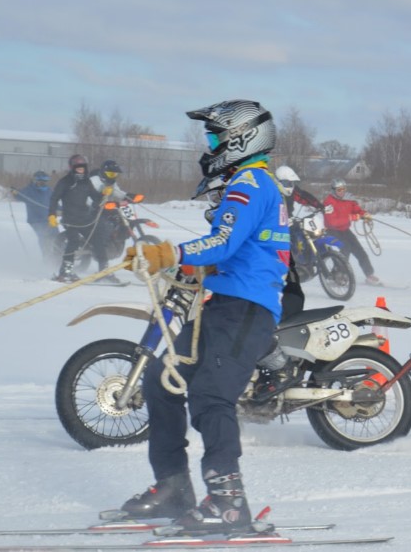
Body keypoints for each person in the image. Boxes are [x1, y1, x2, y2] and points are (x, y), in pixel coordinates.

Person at [117, 100, 289, 535]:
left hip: (247, 309)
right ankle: (173, 487)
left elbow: (224, 241)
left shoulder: (250, 182)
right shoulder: (247, 181)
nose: (210, 144)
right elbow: (236, 249)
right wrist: (183, 266)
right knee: (161, 380)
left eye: (216, 136)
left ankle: (228, 502)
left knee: (211, 396)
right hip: (223, 303)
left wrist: (169, 252)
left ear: (242, 137)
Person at [48, 154, 104, 283]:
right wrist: (52, 214)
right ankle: (65, 272)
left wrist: (103, 195)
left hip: (84, 219)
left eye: (82, 168)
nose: (80, 170)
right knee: (74, 242)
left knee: (98, 240)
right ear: (72, 167)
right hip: (70, 219)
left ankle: (104, 271)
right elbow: (54, 198)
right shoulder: (65, 181)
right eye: (78, 168)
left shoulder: (86, 182)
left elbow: (95, 196)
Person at [86, 159, 137, 284]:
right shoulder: (94, 181)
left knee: (119, 220)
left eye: (115, 174)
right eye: (110, 174)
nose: (113, 176)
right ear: (103, 172)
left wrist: (129, 196)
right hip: (90, 210)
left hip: (105, 209)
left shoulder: (111, 183)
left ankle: (116, 238)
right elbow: (87, 198)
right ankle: (103, 267)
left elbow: (118, 193)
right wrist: (98, 202)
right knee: (104, 229)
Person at [323, 178, 380, 286]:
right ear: (333, 190)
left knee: (359, 251)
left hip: (345, 230)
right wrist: (351, 217)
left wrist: (364, 214)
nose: (342, 192)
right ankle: (338, 275)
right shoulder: (328, 203)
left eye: (343, 189)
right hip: (332, 230)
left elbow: (357, 210)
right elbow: (332, 222)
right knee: (345, 249)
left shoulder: (348, 199)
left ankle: (369, 275)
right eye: (339, 190)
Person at [12, 170, 57, 259]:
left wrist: (63, 209)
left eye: (44, 181)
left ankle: (58, 256)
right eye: (40, 181)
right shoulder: (29, 190)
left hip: (49, 218)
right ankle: (47, 258)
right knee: (44, 237)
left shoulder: (48, 190)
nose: (42, 183)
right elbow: (19, 195)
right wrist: (14, 192)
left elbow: (54, 203)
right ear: (35, 181)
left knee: (56, 236)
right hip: (36, 220)